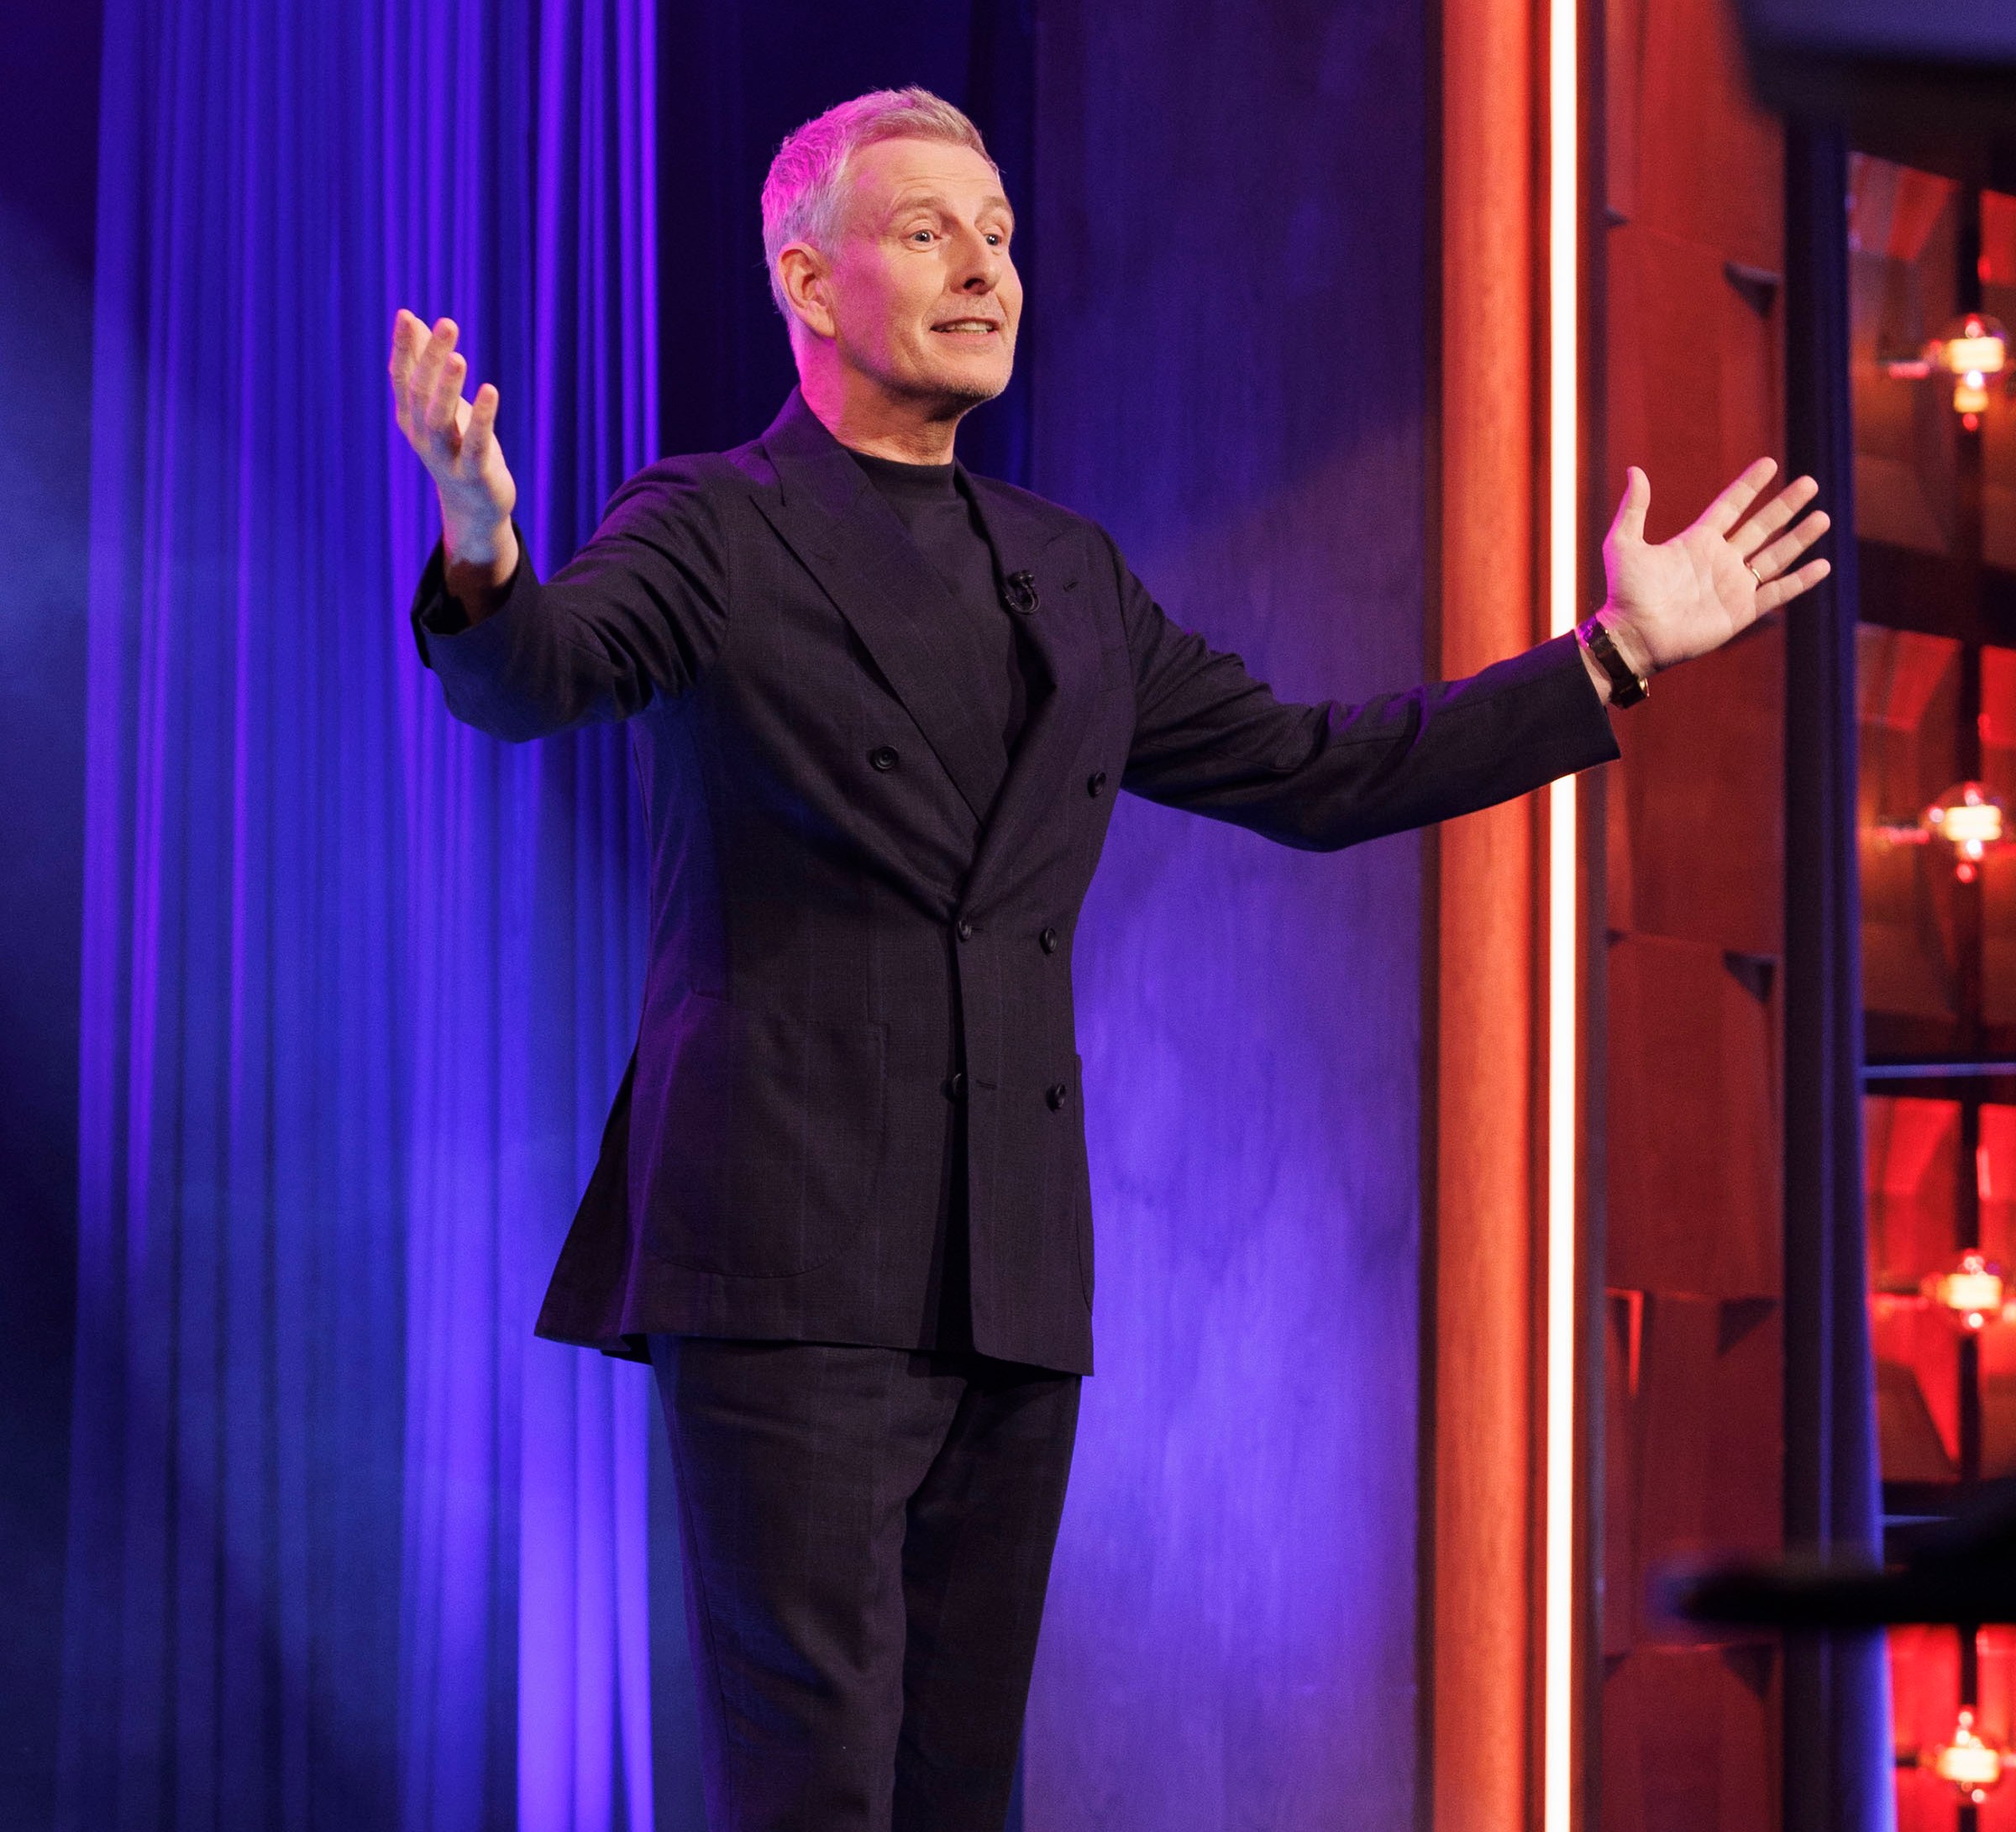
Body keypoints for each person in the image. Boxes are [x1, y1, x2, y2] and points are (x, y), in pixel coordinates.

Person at [387, 85, 1830, 1832]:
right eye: (928, 233)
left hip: (1007, 1273)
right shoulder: (713, 526)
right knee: (814, 1790)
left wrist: (1607, 657)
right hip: (782, 1268)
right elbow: (535, 674)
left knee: (959, 1789)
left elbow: (1321, 765)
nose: (987, 270)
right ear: (809, 281)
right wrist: (480, 542)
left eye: (999, 236)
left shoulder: (1066, 575)